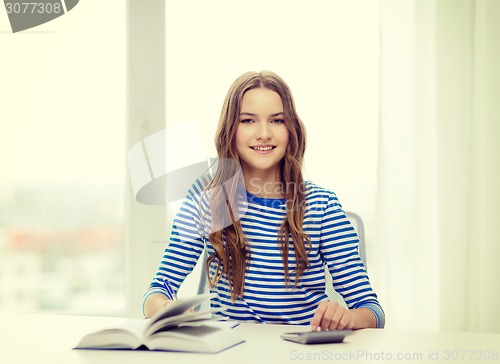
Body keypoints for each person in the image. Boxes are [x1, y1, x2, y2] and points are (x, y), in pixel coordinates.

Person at [143, 70, 385, 331]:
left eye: (277, 121)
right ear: (230, 130)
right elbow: (158, 290)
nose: (263, 133)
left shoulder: (321, 205)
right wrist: (164, 308)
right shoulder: (207, 199)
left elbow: (372, 311)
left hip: (299, 353)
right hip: (232, 352)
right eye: (248, 120)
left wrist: (347, 318)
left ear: (291, 130)